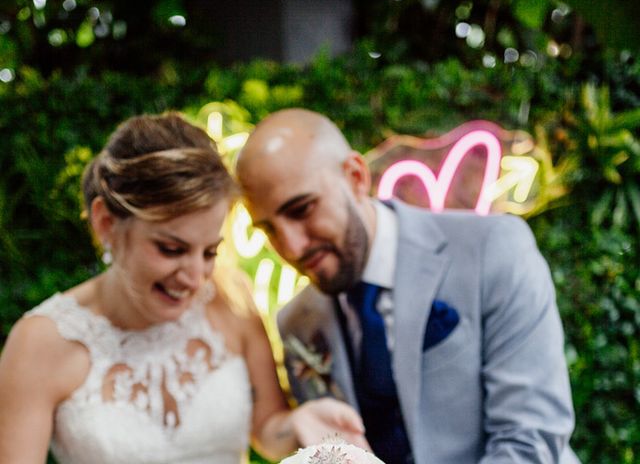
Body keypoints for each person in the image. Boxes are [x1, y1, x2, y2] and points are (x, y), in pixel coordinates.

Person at [0, 112, 368, 464]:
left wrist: (298, 424)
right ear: (106, 223)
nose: (194, 277)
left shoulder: (231, 300)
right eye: (171, 249)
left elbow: (267, 430)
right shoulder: (39, 343)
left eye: (210, 252)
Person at [235, 108, 581, 464]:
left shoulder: (493, 248)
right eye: (269, 230)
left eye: (302, 209)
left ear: (355, 177)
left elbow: (531, 439)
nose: (291, 246)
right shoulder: (297, 324)